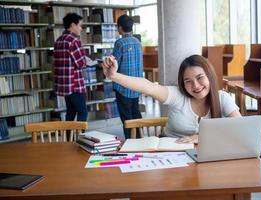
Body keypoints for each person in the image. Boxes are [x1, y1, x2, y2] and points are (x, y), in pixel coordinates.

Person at [102, 54, 241, 144]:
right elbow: (148, 87)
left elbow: (240, 127)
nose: (196, 86)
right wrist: (114, 76)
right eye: (188, 81)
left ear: (209, 75)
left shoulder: (222, 98)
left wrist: (203, 137)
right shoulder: (177, 95)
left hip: (207, 156)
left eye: (200, 78)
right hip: (170, 154)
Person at [112, 14, 143, 139]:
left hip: (123, 87)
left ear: (120, 28)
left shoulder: (120, 43)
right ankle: (141, 139)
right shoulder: (137, 42)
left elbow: (114, 64)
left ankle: (130, 141)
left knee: (126, 117)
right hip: (136, 85)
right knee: (136, 113)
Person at [53, 13, 88, 123]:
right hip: (75, 84)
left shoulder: (58, 40)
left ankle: (68, 139)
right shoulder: (73, 41)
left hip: (64, 84)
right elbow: (81, 63)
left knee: (71, 112)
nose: (81, 28)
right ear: (73, 25)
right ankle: (80, 138)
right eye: (80, 25)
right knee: (83, 112)